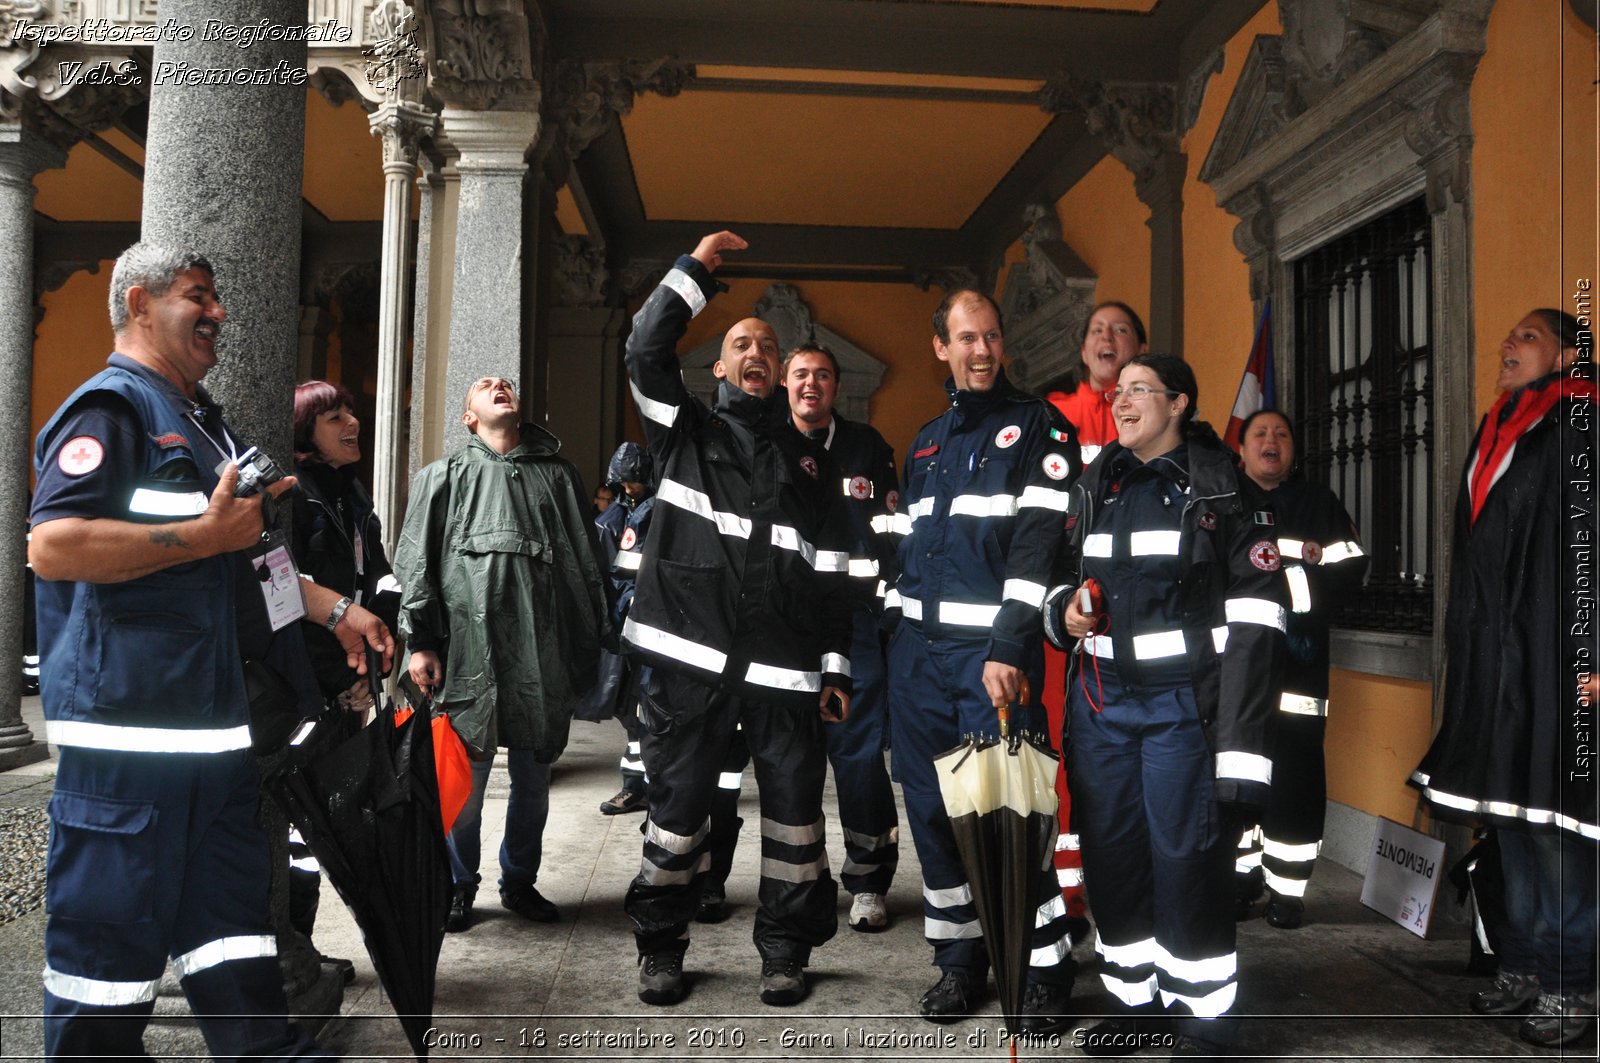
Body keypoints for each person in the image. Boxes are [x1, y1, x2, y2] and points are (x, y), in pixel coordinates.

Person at [29, 242, 392, 1060]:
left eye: (217, 297)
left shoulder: (201, 420)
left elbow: (243, 552)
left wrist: (335, 609)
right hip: (133, 749)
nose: (218, 312)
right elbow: (54, 546)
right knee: (108, 948)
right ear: (138, 304)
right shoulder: (111, 411)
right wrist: (200, 534)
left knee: (231, 931)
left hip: (215, 740)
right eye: (199, 295)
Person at [621, 230, 855, 1009]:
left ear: (781, 373)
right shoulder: (682, 431)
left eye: (767, 345)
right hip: (689, 668)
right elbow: (644, 348)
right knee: (679, 816)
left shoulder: (812, 462)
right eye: (740, 343)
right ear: (718, 367)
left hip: (784, 675)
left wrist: (834, 665)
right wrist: (693, 274)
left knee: (794, 825)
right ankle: (662, 946)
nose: (756, 351)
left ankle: (785, 951)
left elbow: (828, 578)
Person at [1042, 354, 1286, 1057]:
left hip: (1185, 709)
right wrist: (1066, 613)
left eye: (1137, 390)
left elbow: (1257, 622)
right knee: (1114, 857)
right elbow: (1057, 581)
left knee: (1186, 858)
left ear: (1178, 402)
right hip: (1102, 708)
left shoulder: (1222, 492)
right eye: (1116, 392)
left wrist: (1240, 747)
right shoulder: (1096, 485)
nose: (1120, 401)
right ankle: (1135, 1003)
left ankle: (1204, 1019)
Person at [883, 288, 1080, 1029]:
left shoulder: (1040, 429)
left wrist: (1009, 645)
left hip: (988, 664)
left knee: (1008, 817)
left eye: (992, 335)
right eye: (967, 337)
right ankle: (960, 962)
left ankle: (1045, 968)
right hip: (917, 665)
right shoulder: (927, 440)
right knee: (933, 816)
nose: (982, 350)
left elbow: (1036, 546)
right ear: (942, 346)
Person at [1411, 309, 1597, 1049]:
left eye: (1524, 335)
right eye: (1505, 336)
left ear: (1568, 351)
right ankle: (1522, 966)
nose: (1505, 345)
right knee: (1513, 822)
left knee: (1557, 828)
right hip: (1500, 663)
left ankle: (1572, 983)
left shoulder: (1581, 424)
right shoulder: (1501, 433)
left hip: (1560, 662)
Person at [395, 376, 610, 933]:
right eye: (484, 386)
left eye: (508, 384)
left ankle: (519, 881)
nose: (499, 385)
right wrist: (420, 642)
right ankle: (458, 884)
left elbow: (583, 563)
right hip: (467, 650)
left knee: (533, 779)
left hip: (542, 649)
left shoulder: (558, 477)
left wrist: (590, 642)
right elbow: (416, 562)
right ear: (468, 416)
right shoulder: (441, 477)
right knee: (464, 784)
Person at [286, 380, 404, 977]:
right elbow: (288, 600)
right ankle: (290, 955)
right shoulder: (296, 497)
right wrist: (343, 676)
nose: (351, 422)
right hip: (306, 685)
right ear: (307, 432)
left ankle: (299, 951)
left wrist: (375, 659)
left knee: (316, 829)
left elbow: (381, 581)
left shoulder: (352, 495)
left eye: (351, 411)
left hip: (346, 681)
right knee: (295, 826)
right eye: (334, 416)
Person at [1231, 409, 1366, 929]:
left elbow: (1354, 565)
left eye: (1282, 434)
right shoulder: (1222, 502)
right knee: (1234, 775)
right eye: (1260, 433)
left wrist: (1310, 569)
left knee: (1296, 779)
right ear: (1240, 449)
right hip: (1236, 673)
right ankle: (1239, 879)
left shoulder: (1318, 502)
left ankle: (1287, 889)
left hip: (1299, 671)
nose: (1272, 441)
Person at [785, 342, 901, 931]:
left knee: (856, 757)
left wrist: (886, 616)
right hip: (785, 627)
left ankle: (870, 876)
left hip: (854, 625)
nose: (812, 384)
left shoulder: (866, 448)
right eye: (801, 374)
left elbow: (890, 535)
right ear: (785, 383)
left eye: (822, 375)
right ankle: (799, 877)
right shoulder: (767, 443)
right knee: (792, 759)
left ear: (836, 386)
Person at [592, 440, 656, 817]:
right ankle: (636, 787)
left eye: (634, 481)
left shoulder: (652, 513)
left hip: (646, 627)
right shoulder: (617, 518)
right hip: (623, 628)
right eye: (624, 482)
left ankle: (645, 787)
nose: (629, 488)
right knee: (630, 709)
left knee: (645, 708)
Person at [1047, 301, 1149, 468]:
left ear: (1141, 351)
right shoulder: (1052, 413)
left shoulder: (1156, 414)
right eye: (1097, 330)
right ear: (1084, 353)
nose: (1106, 336)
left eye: (1120, 330)